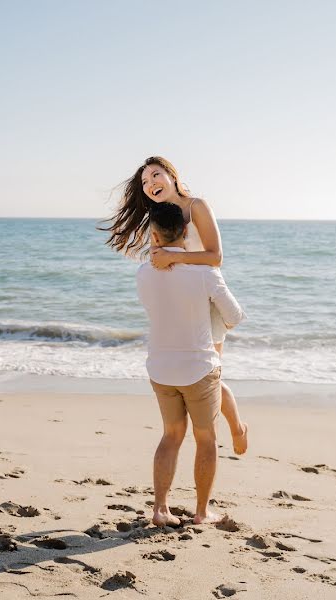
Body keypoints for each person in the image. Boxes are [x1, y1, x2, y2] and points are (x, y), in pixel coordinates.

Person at [100, 156, 249, 455]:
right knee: (197, 374)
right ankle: (220, 427)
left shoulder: (197, 207)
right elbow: (160, 255)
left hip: (208, 300)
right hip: (179, 301)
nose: (150, 184)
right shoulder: (160, 215)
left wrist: (174, 258)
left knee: (211, 374)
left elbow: (215, 257)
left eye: (155, 175)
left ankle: (236, 427)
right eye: (144, 182)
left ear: (172, 175)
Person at [136, 201, 246, 526]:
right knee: (205, 437)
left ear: (153, 237)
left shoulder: (143, 274)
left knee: (170, 435)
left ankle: (160, 510)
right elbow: (235, 317)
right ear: (186, 231)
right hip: (199, 369)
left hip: (160, 368)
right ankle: (201, 513)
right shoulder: (205, 274)